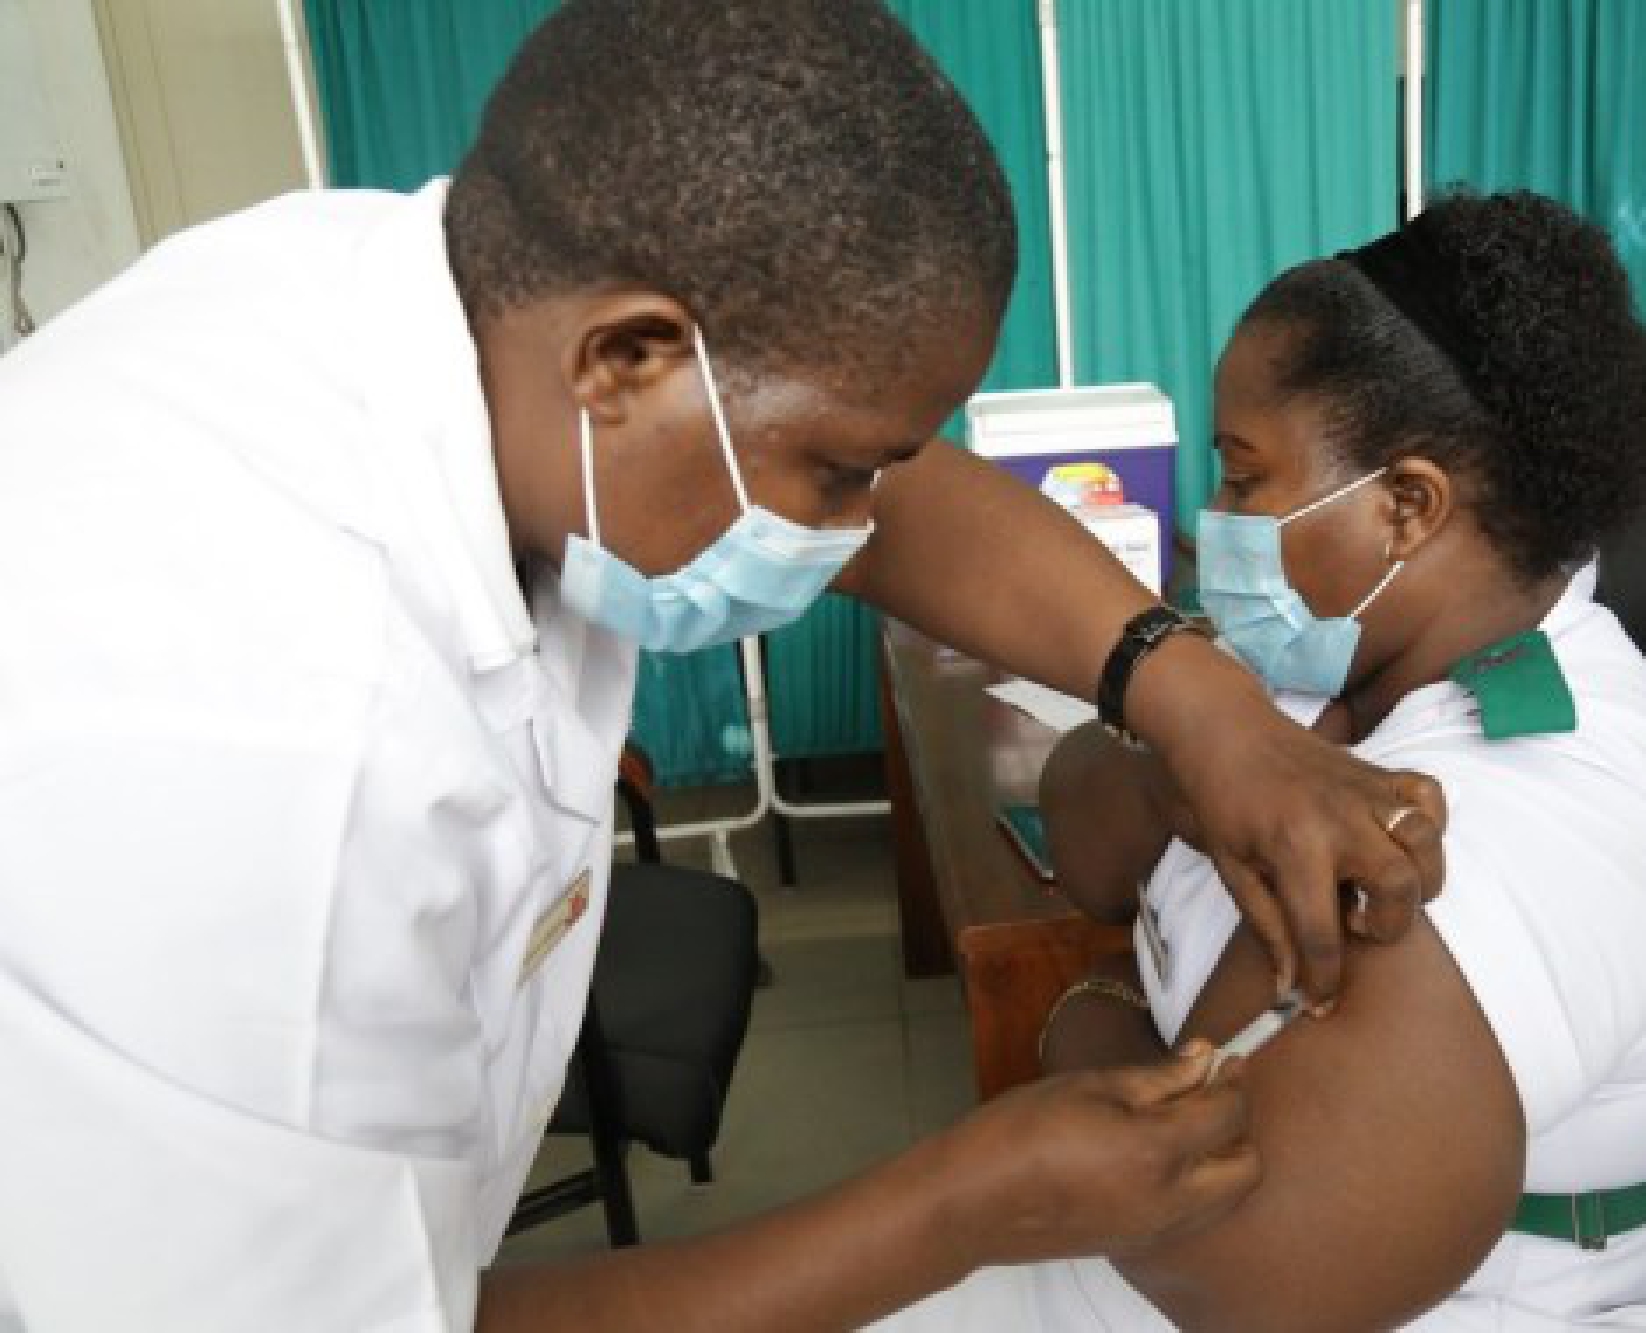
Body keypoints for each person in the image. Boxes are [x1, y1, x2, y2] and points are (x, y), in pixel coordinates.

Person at [0, 2, 1455, 1329]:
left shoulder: (442, 297)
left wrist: (1194, 699)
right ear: (625, 359)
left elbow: (898, 494)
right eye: (832, 470)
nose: (855, 530)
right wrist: (958, 1211)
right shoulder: (263, 773)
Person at [871, 193, 1646, 1331]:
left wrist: (1078, 1021)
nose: (1209, 516)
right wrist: (1179, 759)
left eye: (1243, 476)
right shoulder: (1337, 649)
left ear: (1404, 507)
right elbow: (1082, 825)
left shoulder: (1506, 808)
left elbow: (1236, 1262)